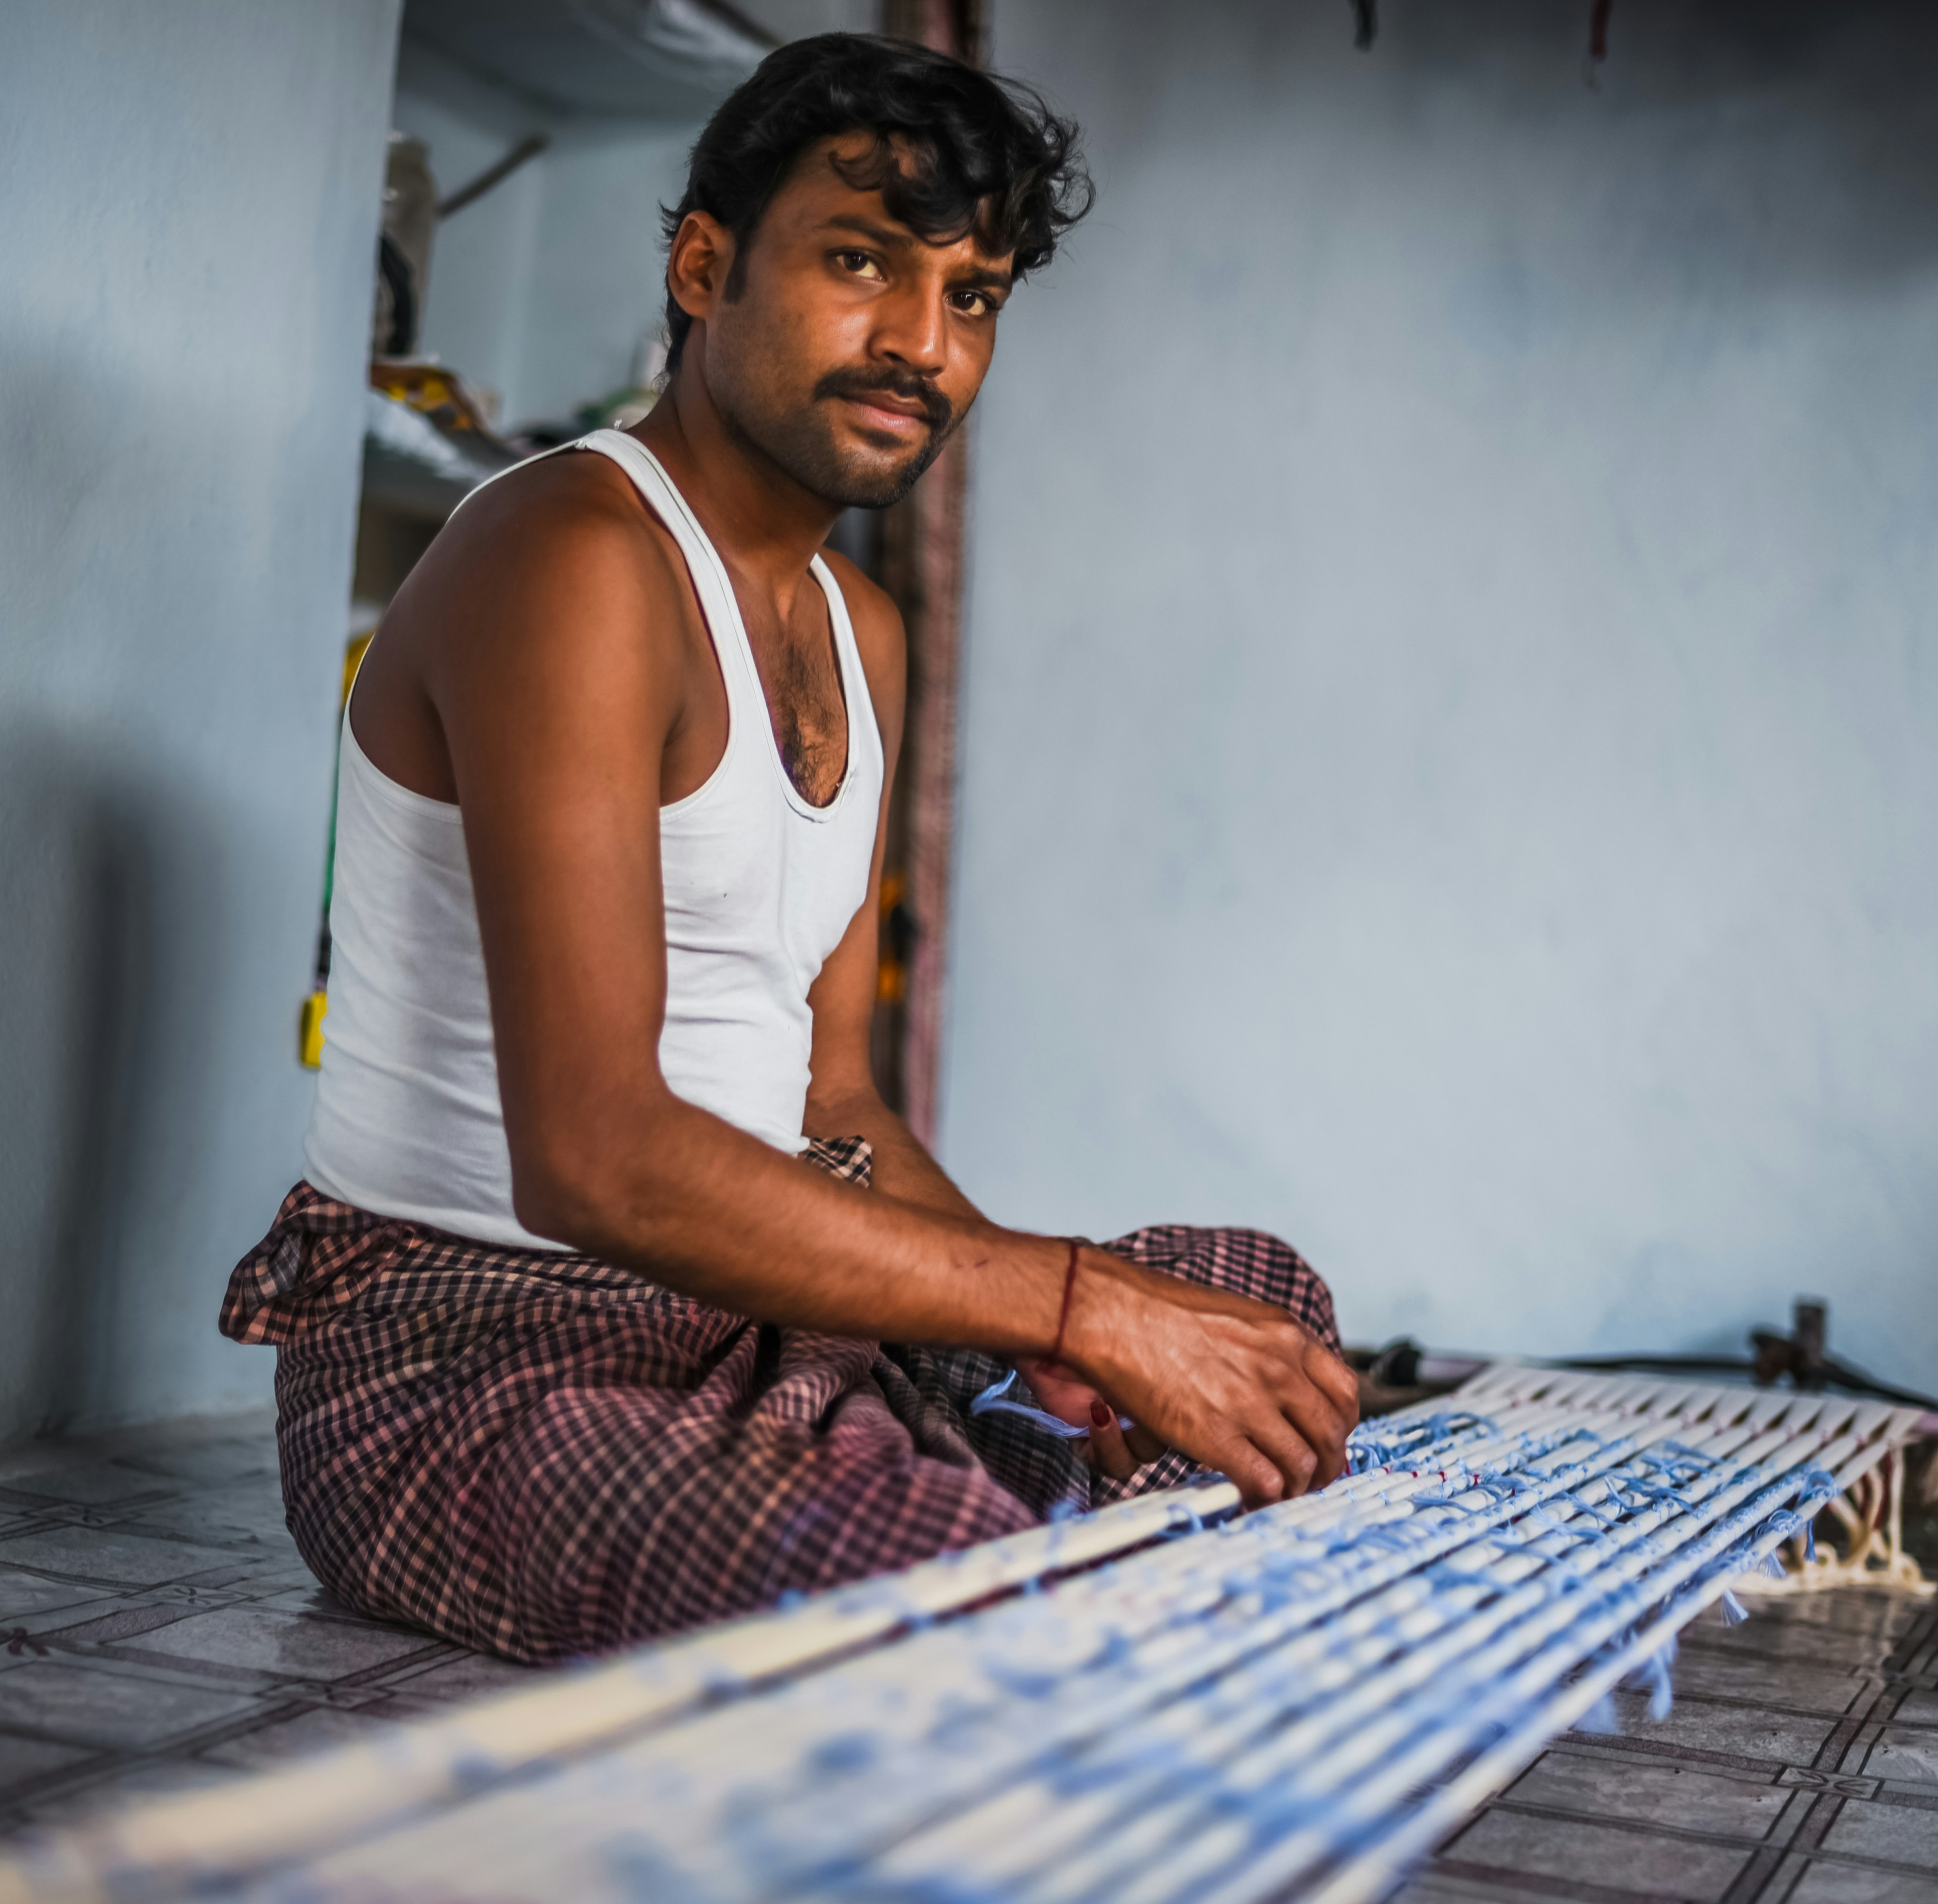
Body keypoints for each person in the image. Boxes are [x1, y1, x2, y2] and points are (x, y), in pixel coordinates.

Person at [221, 33, 1357, 1665]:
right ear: (703, 266)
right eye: (860, 263)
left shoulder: (862, 628)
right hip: (478, 1355)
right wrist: (1073, 1304)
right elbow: (597, 1158)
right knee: (946, 1573)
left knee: (1262, 1308)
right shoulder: (569, 557)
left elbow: (830, 1105)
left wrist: (1052, 1348)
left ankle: (990, 1497)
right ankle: (990, 1539)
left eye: (973, 297)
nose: (921, 345)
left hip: (760, 1326)